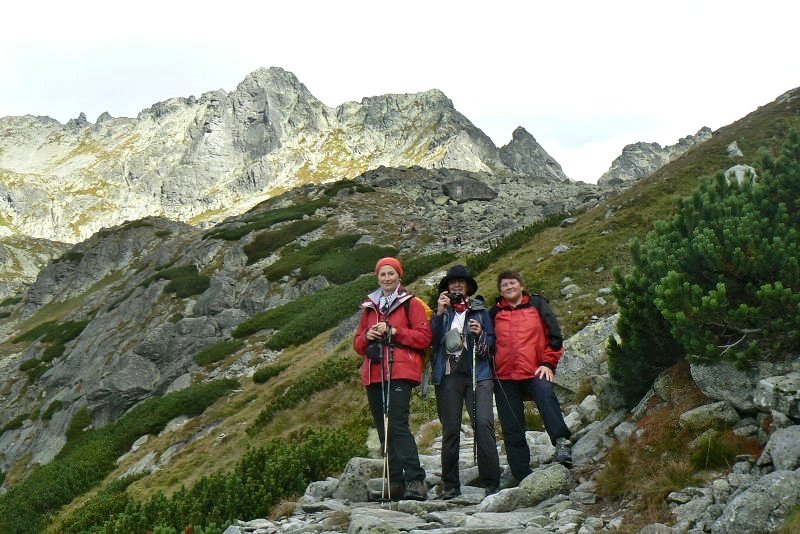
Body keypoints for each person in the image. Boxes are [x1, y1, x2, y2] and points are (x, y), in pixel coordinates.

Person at [353, 257, 432, 501]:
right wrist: (368, 335)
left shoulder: (412, 304)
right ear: (377, 278)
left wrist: (394, 331)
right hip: (374, 372)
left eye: (391, 274)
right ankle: (396, 483)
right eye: (382, 274)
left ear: (399, 276)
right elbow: (357, 343)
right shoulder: (369, 308)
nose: (387, 278)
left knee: (397, 424)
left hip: (401, 371)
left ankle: (416, 481)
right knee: (383, 428)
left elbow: (424, 338)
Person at [490, 270, 572, 483]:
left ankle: (562, 443)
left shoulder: (537, 305)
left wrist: (548, 363)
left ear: (521, 284)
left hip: (535, 369)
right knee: (511, 424)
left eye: (512, 283)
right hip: (504, 376)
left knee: (546, 396)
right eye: (504, 285)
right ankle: (521, 473)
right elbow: (487, 343)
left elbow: (555, 337)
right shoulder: (494, 312)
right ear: (500, 290)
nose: (509, 287)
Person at [431, 265, 501, 499]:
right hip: (449, 375)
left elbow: (491, 344)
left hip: (478, 374)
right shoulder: (442, 312)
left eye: (461, 282)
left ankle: (491, 482)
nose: (457, 286)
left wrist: (481, 333)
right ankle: (450, 485)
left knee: (483, 423)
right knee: (450, 428)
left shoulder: (480, 311)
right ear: (447, 288)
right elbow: (430, 341)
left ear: (468, 286)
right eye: (453, 283)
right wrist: (439, 314)